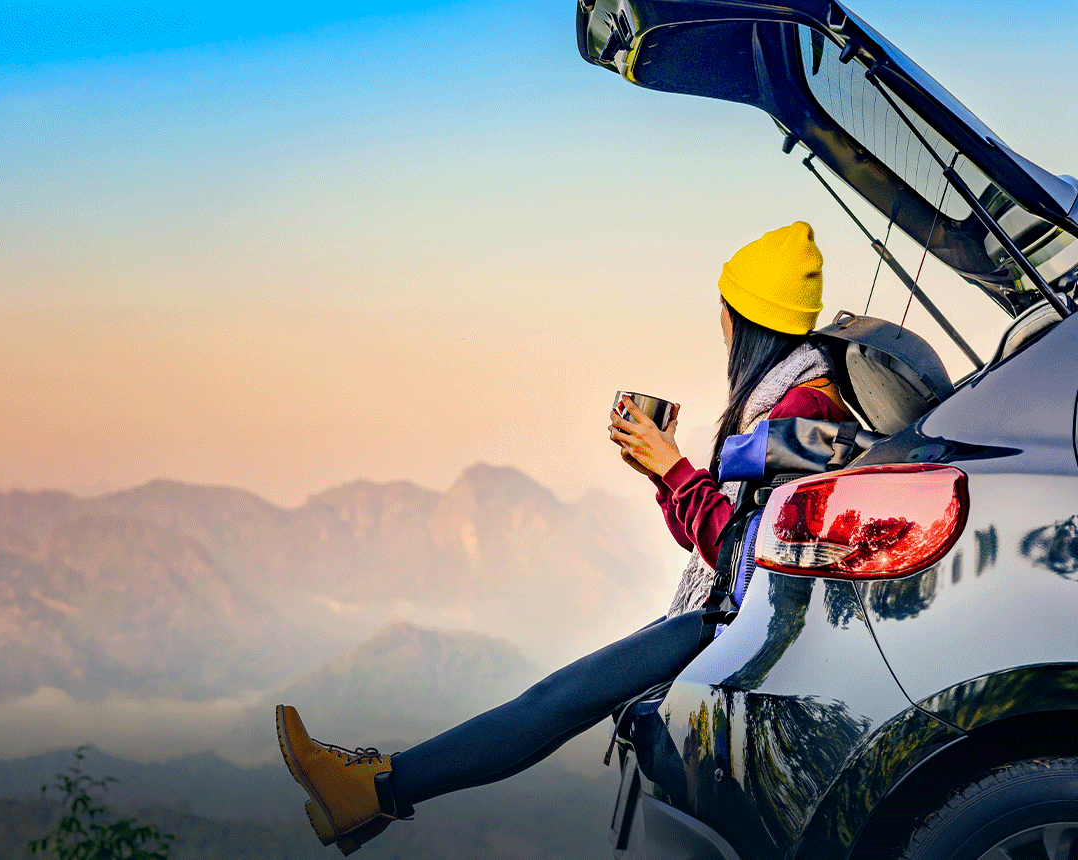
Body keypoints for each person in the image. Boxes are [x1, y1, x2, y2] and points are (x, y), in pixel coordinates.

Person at [276, 221, 851, 855]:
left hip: (733, 619)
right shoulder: (788, 402)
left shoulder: (803, 412)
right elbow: (718, 534)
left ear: (745, 321)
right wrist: (662, 476)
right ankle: (371, 793)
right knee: (559, 699)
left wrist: (674, 469)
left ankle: (371, 792)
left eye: (724, 310)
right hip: (728, 610)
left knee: (557, 699)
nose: (719, 325)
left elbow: (743, 560)